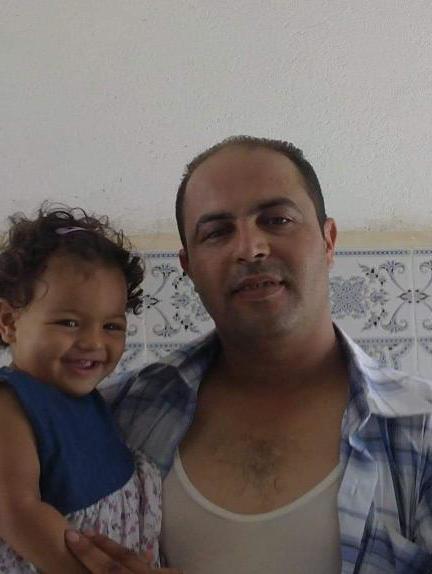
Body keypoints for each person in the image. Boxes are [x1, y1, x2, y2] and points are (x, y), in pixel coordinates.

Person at [66, 136, 432, 574]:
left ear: (328, 240)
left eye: (277, 220)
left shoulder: (421, 427)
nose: (250, 248)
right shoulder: (116, 417)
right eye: (217, 232)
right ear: (189, 268)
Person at [0, 205, 175, 573]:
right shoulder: (9, 404)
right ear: (9, 322)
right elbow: (17, 511)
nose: (94, 343)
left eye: (112, 326)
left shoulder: (90, 400)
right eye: (68, 322)